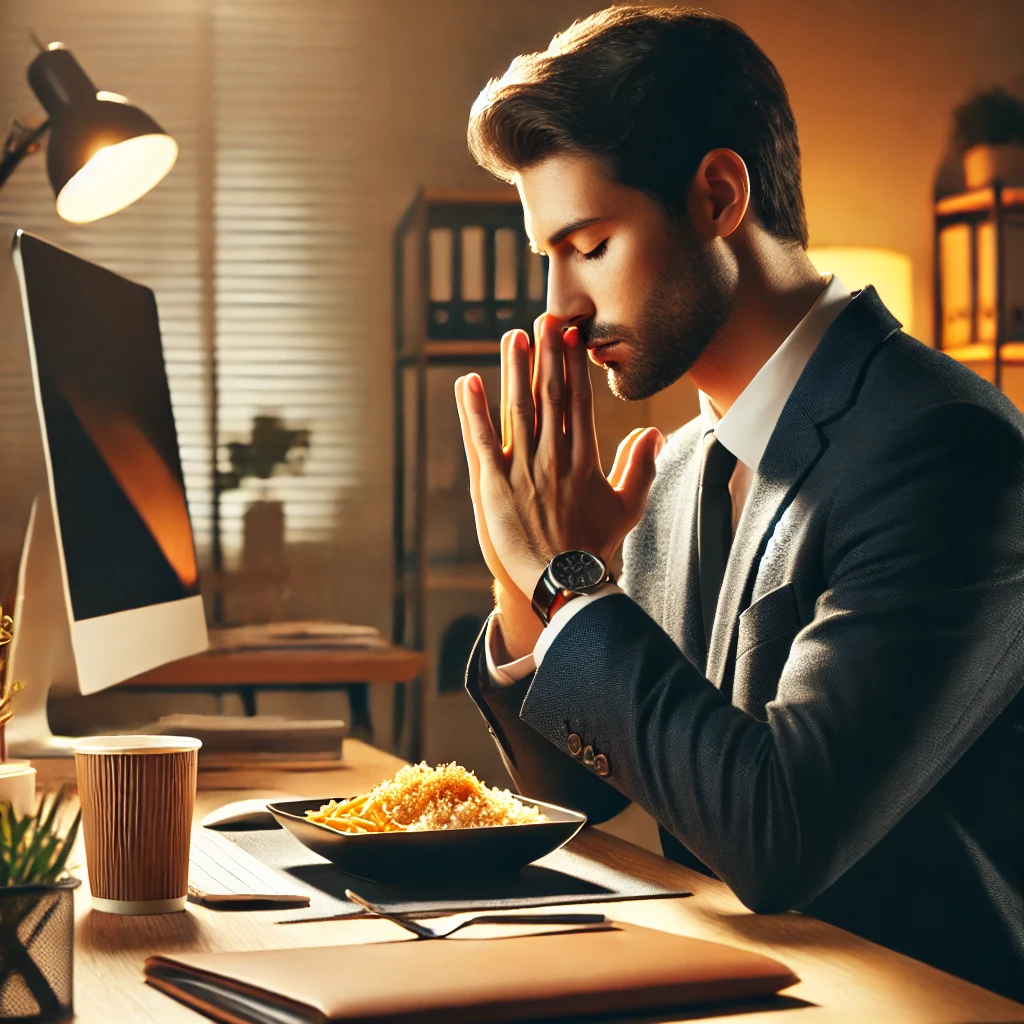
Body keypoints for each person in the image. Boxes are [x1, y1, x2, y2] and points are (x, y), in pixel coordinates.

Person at [452, 5, 1024, 1003]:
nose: (559, 305)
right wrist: (526, 586)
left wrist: (571, 585)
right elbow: (574, 793)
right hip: (749, 987)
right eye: (549, 254)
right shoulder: (674, 470)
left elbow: (779, 832)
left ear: (717, 195)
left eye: (587, 242)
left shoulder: (945, 446)